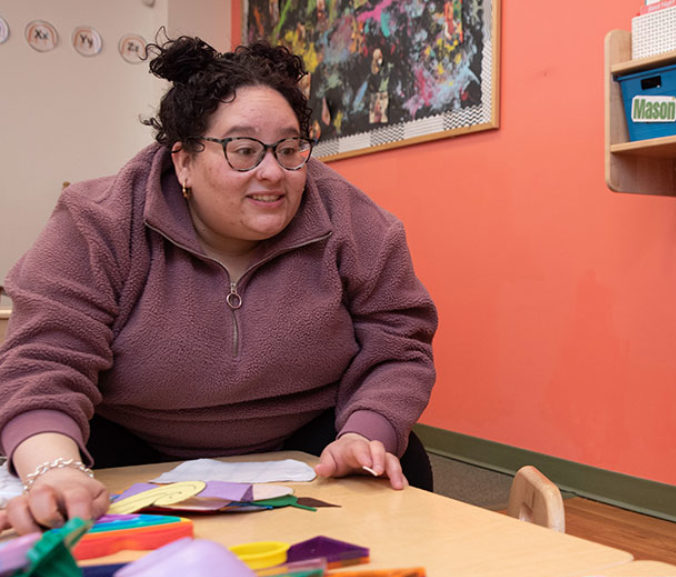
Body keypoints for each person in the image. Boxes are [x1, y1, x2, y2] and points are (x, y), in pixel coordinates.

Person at [0, 37, 437, 534]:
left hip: (309, 439)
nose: (273, 172)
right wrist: (55, 469)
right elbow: (44, 360)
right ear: (183, 160)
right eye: (243, 150)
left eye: (290, 149)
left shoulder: (355, 222)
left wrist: (365, 432)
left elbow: (399, 342)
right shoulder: (97, 221)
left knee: (402, 478)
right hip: (126, 437)